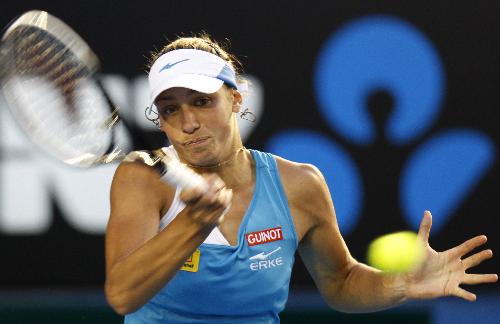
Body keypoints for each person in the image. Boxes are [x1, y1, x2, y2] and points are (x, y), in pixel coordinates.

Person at [104, 34, 498, 323]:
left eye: (203, 101)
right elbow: (122, 295)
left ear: (237, 99)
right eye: (170, 109)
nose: (188, 123)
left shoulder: (300, 184)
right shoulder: (142, 177)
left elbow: (341, 282)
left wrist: (400, 285)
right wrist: (192, 224)